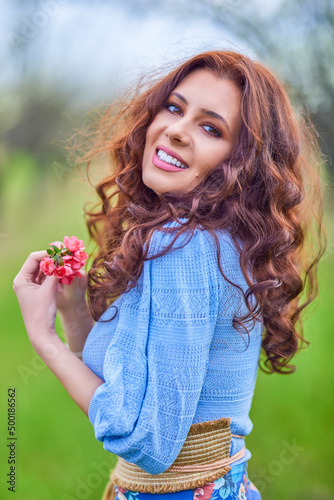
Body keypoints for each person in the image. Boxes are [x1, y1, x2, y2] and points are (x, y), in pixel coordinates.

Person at [13, 50, 326, 500]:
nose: (177, 131)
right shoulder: (222, 240)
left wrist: (44, 339)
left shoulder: (185, 246)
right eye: (175, 108)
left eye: (211, 128)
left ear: (241, 161)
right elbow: (125, 393)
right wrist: (75, 311)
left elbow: (146, 442)